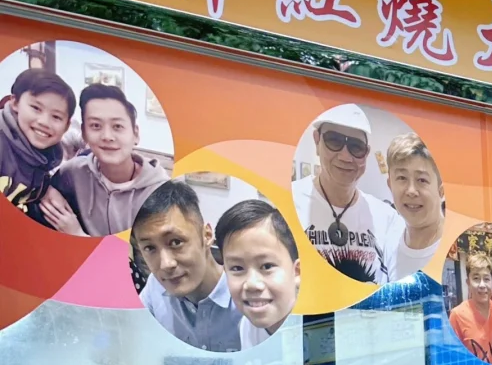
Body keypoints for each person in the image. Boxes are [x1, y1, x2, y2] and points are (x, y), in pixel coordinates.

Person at [41, 84, 167, 236]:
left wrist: (78, 235)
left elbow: (148, 258)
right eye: (95, 125)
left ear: (135, 134)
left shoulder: (161, 194)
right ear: (84, 134)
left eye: (117, 126)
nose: (107, 136)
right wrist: (46, 189)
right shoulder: (72, 173)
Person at [132, 180, 242, 351]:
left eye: (176, 242)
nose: (166, 264)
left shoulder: (246, 295)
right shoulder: (155, 289)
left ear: (206, 235)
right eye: (150, 248)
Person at [291, 105, 394, 283]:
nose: (345, 157)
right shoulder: (288, 202)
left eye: (356, 147)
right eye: (334, 141)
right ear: (317, 142)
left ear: (366, 153)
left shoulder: (386, 218)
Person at [216, 198, 301, 348]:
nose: (252, 284)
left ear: (297, 271)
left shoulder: (321, 326)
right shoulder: (247, 326)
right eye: (237, 268)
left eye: (267, 266)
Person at [0, 68, 75, 218]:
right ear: (15, 103)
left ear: (67, 126)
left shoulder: (48, 158)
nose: (44, 122)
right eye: (35, 108)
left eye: (56, 117)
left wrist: (45, 191)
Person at [384, 131, 445, 281]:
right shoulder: (388, 242)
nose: (411, 191)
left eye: (422, 180)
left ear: (441, 190)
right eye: (402, 178)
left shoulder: (451, 245)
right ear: (390, 185)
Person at [448, 250, 492, 365]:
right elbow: (452, 360)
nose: (482, 285)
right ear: (468, 282)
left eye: (486, 279)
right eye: (476, 278)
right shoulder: (457, 316)